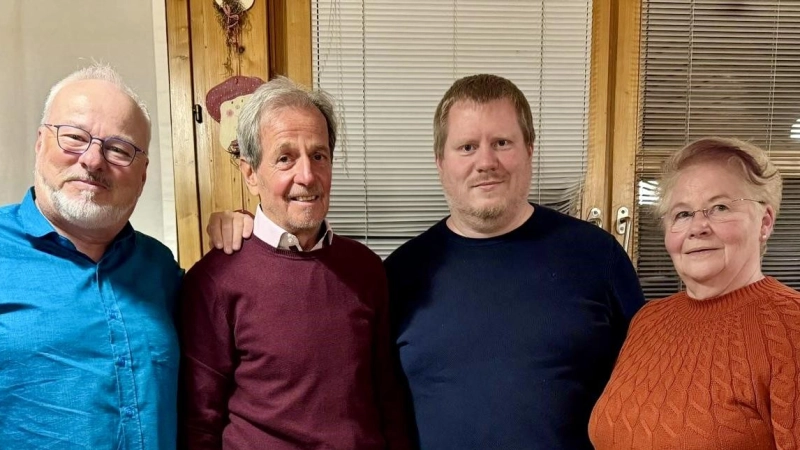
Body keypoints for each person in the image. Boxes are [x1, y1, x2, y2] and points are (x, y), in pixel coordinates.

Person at [382, 74, 646, 449]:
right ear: (440, 162)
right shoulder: (399, 275)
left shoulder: (598, 256)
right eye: (467, 147)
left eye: (502, 143)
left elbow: (648, 394)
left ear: (529, 150)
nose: (486, 162)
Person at [178, 77, 410, 450]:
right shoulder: (214, 281)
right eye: (285, 158)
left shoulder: (366, 269)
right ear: (250, 174)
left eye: (319, 155)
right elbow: (199, 423)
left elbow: (388, 398)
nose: (307, 176)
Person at [0, 64, 182, 448]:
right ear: (40, 143)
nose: (94, 160)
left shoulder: (161, 269)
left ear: (143, 174)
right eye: (74, 137)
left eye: (119, 149)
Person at [589, 137, 800, 449]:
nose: (698, 227)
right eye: (683, 214)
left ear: (765, 222)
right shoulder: (648, 321)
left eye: (720, 207)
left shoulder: (791, 327)